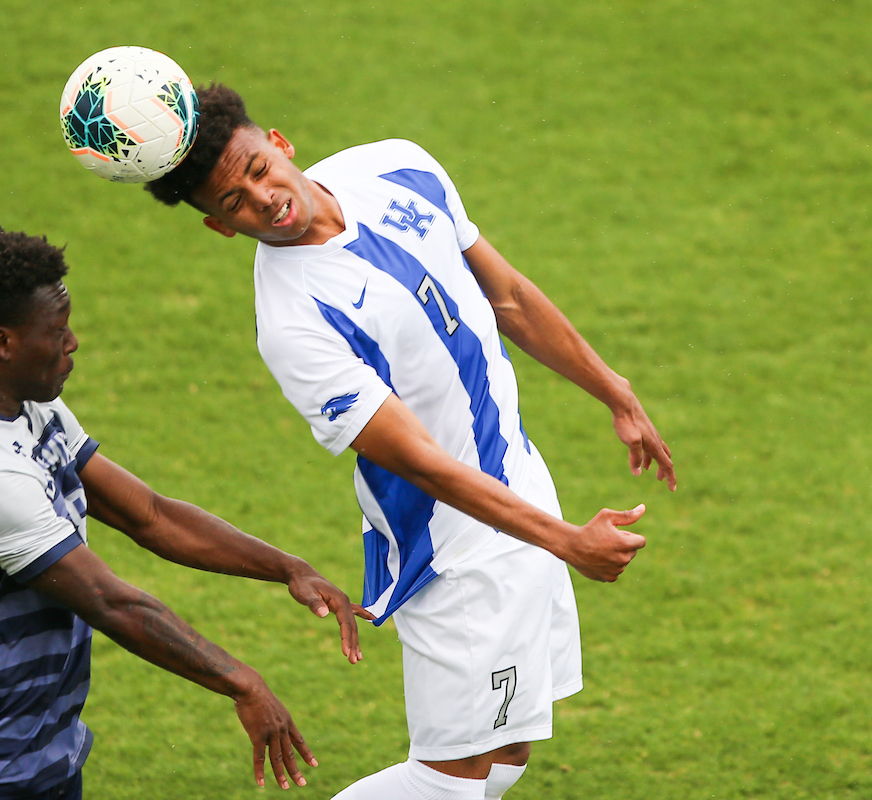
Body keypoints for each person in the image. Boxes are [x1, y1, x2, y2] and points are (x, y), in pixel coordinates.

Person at [143, 85, 677, 800]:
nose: (262, 198)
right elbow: (424, 463)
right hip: (456, 548)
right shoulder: (295, 323)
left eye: (258, 169)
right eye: (234, 202)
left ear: (279, 142)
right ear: (219, 228)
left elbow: (507, 295)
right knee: (448, 780)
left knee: (505, 759)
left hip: (522, 491)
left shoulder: (397, 167)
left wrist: (614, 389)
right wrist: (564, 541)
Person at [0, 226, 368, 800]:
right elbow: (113, 603)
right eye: (56, 332)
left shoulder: (30, 410)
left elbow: (150, 515)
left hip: (41, 751)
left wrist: (287, 566)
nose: (73, 343)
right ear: (2, 343)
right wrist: (243, 683)